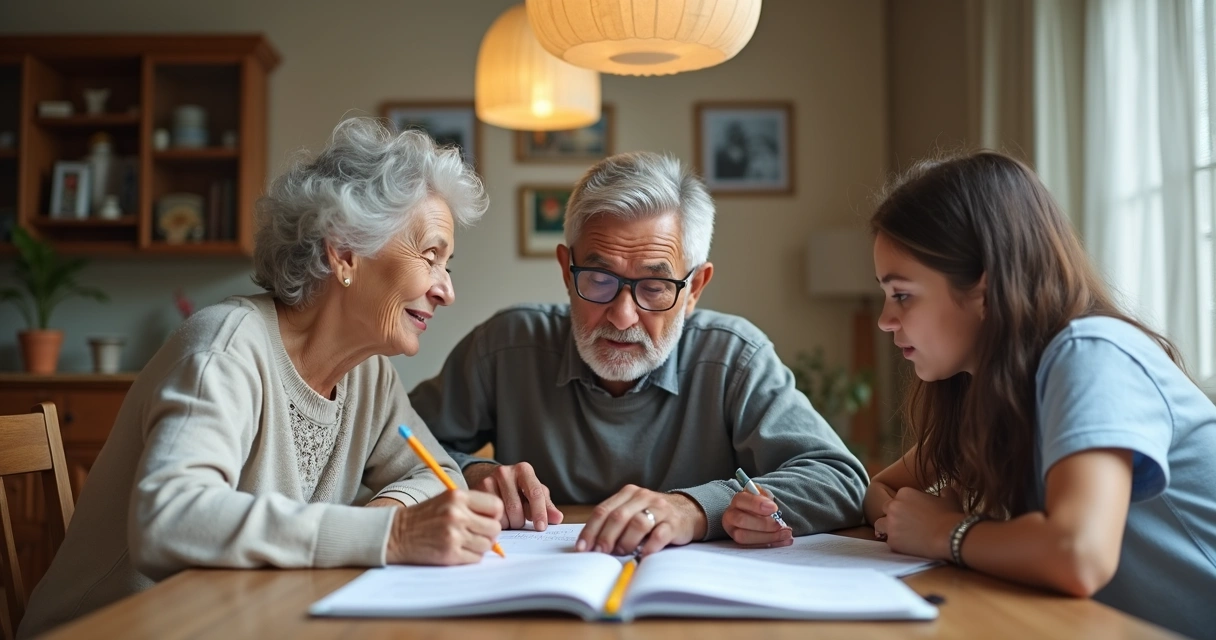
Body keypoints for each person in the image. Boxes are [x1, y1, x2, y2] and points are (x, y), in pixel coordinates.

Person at [19, 119, 504, 638]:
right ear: (344, 253)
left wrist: (395, 514)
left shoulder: (369, 377)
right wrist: (389, 534)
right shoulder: (225, 349)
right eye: (431, 256)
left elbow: (439, 476)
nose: (445, 290)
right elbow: (170, 521)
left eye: (447, 265)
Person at [410, 151, 867, 558]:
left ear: (695, 289)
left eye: (654, 286)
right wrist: (471, 472)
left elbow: (840, 480)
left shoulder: (733, 357)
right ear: (567, 272)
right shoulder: (506, 346)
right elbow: (395, 447)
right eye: (599, 279)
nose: (623, 315)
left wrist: (693, 508)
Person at [863, 151, 1216, 638]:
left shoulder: (1091, 355)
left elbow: (1080, 555)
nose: (885, 319)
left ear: (984, 289)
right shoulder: (997, 388)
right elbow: (880, 489)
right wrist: (908, 522)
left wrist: (945, 533)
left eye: (902, 294)